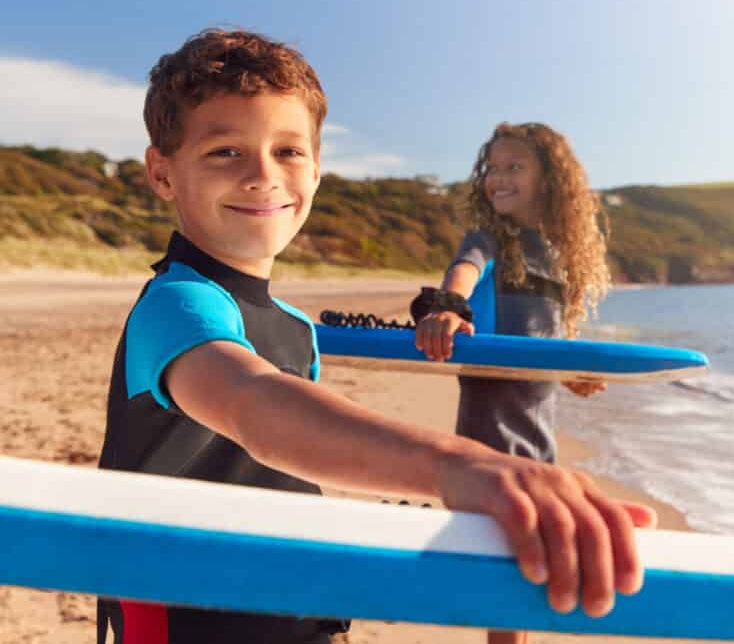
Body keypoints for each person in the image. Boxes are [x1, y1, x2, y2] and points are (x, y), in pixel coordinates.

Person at [97, 32, 653, 644]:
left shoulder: (290, 326)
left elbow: (274, 465)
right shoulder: (178, 304)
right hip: (191, 627)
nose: (263, 176)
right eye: (226, 151)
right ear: (162, 173)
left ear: (316, 168)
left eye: (287, 150)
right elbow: (254, 406)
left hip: (295, 614)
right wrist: (456, 465)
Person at [412, 122, 614, 644]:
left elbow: (545, 339)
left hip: (538, 433)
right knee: (511, 566)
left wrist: (573, 372)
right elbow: (463, 271)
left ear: (549, 179)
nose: (498, 179)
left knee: (527, 574)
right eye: (493, 169)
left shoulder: (557, 253)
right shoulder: (489, 239)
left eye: (514, 167)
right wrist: (449, 310)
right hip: (492, 428)